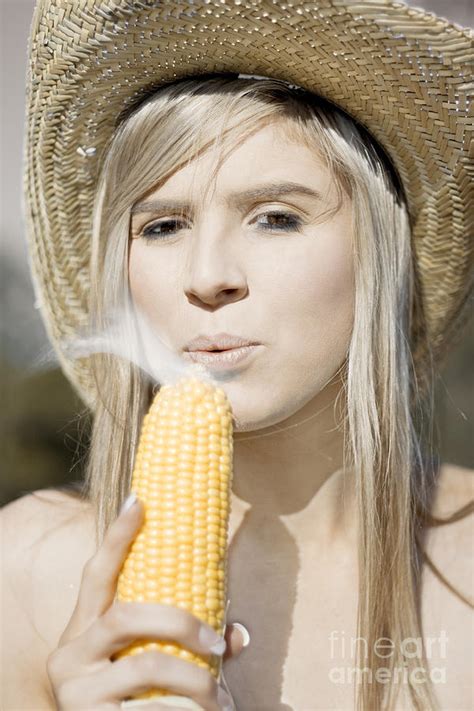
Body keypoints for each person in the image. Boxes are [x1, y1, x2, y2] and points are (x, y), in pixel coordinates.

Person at [2, 1, 473, 710]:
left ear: (378, 254)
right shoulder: (27, 570)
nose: (206, 274)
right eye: (162, 225)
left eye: (276, 217)